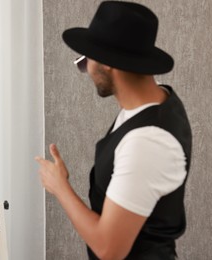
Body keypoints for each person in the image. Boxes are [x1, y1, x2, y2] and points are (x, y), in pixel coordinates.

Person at [35, 1, 192, 259]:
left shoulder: (147, 141)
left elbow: (109, 249)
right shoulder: (153, 99)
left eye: (87, 60)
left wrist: (60, 187)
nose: (86, 70)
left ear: (109, 64)